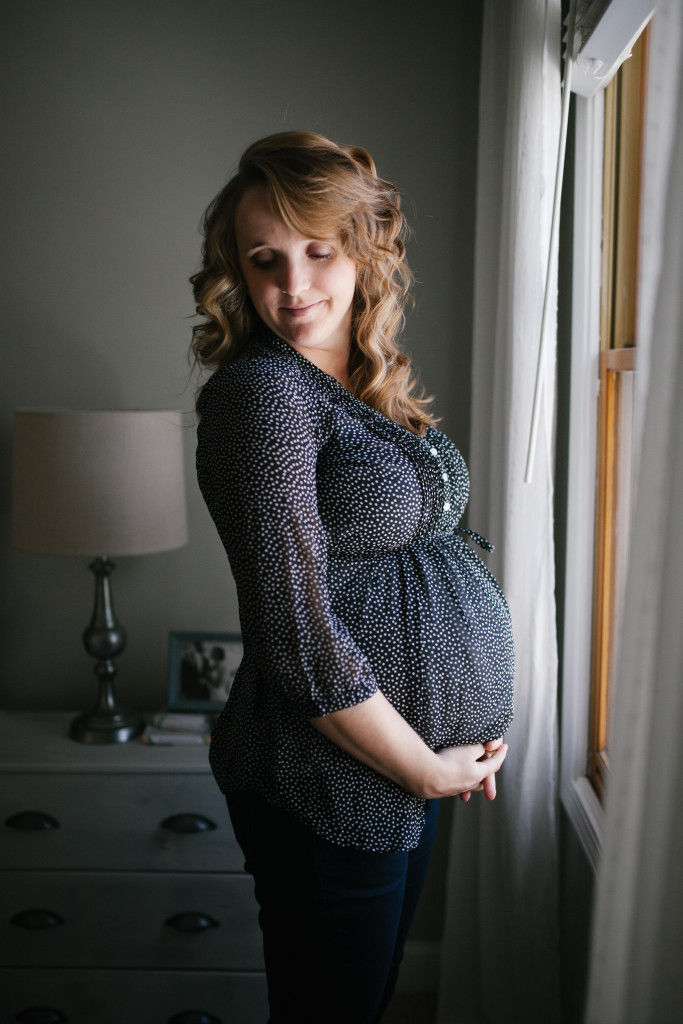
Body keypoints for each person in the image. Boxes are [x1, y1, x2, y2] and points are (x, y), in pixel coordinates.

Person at [190, 131, 514, 1024]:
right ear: (238, 273)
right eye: (264, 259)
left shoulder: (361, 383)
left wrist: (462, 730)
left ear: (364, 251)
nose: (292, 285)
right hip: (325, 778)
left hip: (401, 765)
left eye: (318, 250)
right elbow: (293, 633)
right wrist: (421, 768)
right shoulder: (262, 395)